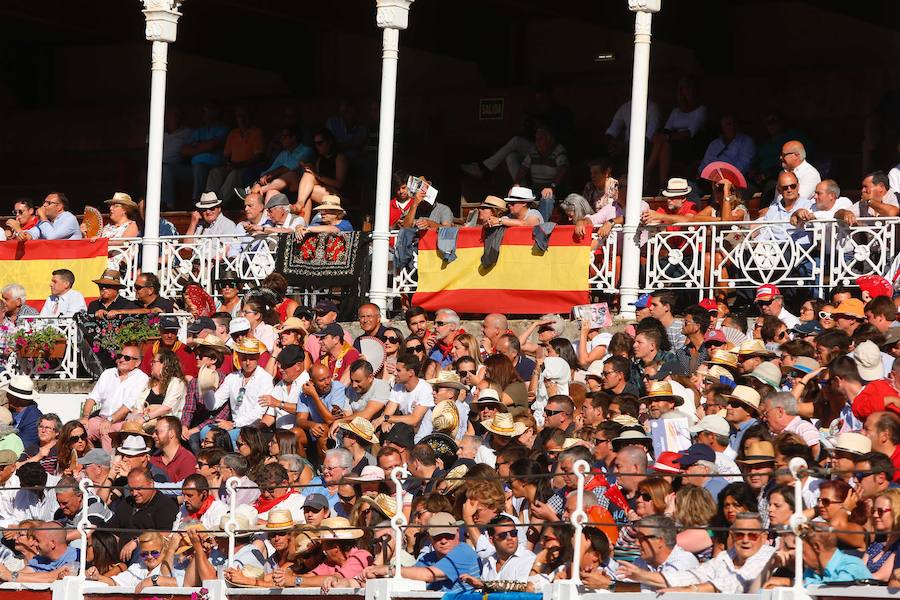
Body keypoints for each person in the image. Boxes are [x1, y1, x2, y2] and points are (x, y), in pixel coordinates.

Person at [363, 512, 480, 592]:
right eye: (438, 537)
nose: (443, 541)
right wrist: (377, 574)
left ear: (457, 533)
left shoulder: (464, 552)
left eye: (448, 536)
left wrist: (387, 570)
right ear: (429, 537)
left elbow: (429, 575)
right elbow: (409, 578)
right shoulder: (428, 558)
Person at [82, 344, 150, 450]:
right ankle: (88, 462)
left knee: (107, 432)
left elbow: (128, 406)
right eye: (119, 356)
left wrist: (110, 420)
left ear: (137, 363)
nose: (121, 360)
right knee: (80, 430)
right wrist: (85, 417)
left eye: (126, 358)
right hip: (101, 418)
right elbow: (93, 397)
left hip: (124, 421)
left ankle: (107, 464)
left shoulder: (141, 378)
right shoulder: (108, 373)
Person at [208, 337, 274, 444]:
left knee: (222, 439)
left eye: (251, 358)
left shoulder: (265, 379)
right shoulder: (232, 377)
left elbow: (258, 413)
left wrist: (233, 424)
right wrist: (206, 389)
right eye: (244, 358)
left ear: (258, 357)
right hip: (234, 426)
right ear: (238, 357)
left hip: (253, 429)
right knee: (206, 433)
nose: (248, 363)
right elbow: (213, 404)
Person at [106, 468, 179, 559]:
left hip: (146, 558)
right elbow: (112, 529)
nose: (134, 493)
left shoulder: (165, 505)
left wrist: (137, 541)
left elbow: (165, 534)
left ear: (151, 484)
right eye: (131, 489)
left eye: (139, 488)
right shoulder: (128, 502)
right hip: (119, 556)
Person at [616, 515, 699, 592]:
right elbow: (620, 583)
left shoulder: (684, 560)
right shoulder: (642, 561)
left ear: (660, 541)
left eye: (641, 538)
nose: (637, 543)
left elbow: (664, 591)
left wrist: (638, 580)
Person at [205, 104, 266, 206]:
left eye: (244, 116)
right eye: (239, 116)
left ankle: (219, 204)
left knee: (235, 174)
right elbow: (226, 155)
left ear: (249, 117)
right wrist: (227, 165)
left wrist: (237, 165)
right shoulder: (233, 133)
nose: (242, 119)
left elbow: (258, 158)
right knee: (215, 172)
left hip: (247, 167)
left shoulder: (256, 132)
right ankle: (208, 201)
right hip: (233, 165)